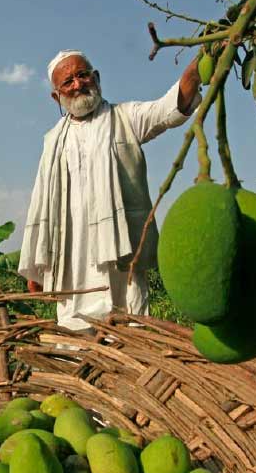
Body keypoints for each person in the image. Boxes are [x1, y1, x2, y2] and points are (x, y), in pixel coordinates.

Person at [18, 49, 201, 332]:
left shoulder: (125, 118)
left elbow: (170, 108)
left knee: (129, 334)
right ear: (57, 96)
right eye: (68, 81)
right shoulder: (52, 141)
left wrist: (201, 63)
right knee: (73, 344)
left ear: (96, 77)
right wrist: (38, 264)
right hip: (72, 262)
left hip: (120, 258)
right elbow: (42, 203)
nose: (78, 84)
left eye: (82, 75)